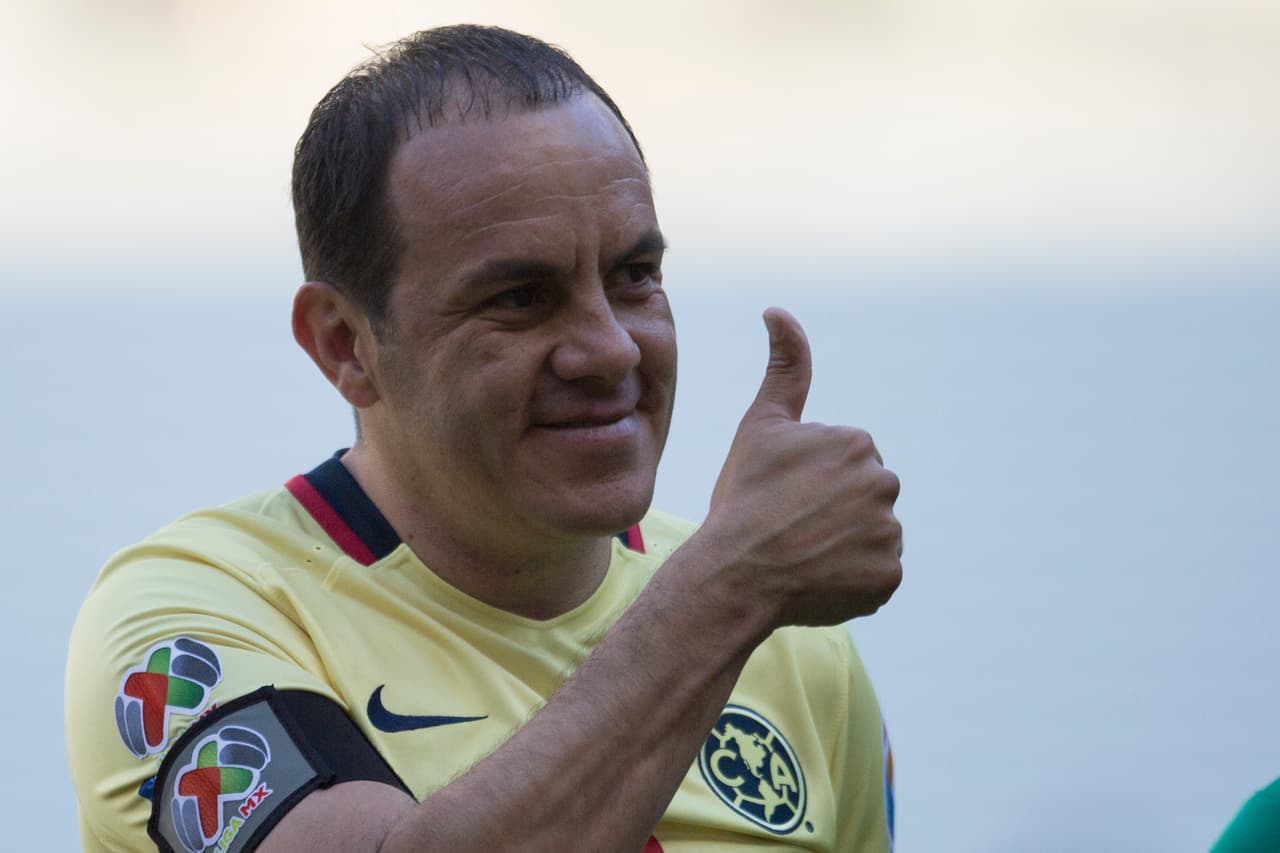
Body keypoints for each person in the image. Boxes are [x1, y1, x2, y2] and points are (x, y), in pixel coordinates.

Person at [66, 24, 903, 853]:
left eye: (635, 276)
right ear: (345, 344)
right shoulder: (186, 621)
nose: (611, 348)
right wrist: (729, 588)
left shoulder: (799, 653)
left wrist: (736, 586)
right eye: (521, 297)